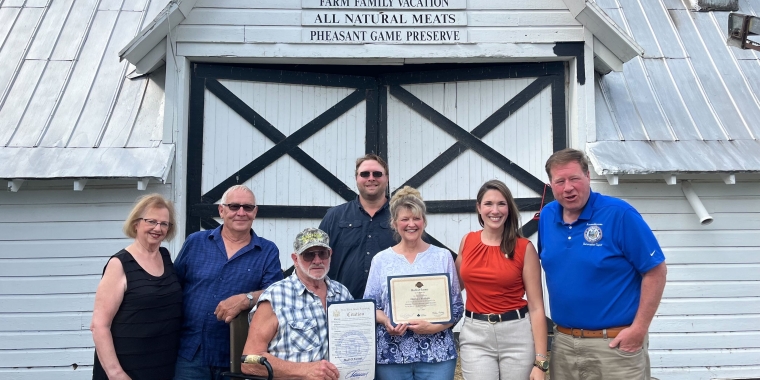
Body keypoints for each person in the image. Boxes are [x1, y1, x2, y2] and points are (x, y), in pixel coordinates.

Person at [538, 148, 667, 380]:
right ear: (551, 184)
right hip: (564, 345)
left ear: (588, 176)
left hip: (613, 347)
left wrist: (638, 330)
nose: (568, 188)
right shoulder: (547, 216)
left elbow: (655, 271)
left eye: (574, 178)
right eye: (560, 181)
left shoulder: (619, 214)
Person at [173, 185, 284, 379]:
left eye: (248, 207)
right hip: (192, 352)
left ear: (255, 212)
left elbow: (276, 293)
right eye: (234, 206)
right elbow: (174, 287)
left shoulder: (267, 251)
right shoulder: (195, 242)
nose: (241, 213)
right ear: (221, 210)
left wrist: (246, 298)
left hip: (237, 352)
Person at [363, 186, 464, 380]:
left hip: (438, 355)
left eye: (416, 218)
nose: (411, 224)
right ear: (394, 223)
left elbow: (457, 307)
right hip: (391, 354)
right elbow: (370, 306)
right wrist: (386, 321)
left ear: (424, 221)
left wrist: (433, 327)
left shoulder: (442, 257)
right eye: (405, 219)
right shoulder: (381, 260)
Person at [455, 180, 548, 380]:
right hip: (475, 335)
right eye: (488, 204)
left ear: (509, 208)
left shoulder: (525, 248)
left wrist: (541, 362)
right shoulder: (467, 241)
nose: (495, 210)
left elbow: (537, 307)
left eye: (501, 204)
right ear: (479, 208)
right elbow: (452, 288)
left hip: (517, 335)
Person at [91, 194, 182, 380]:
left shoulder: (165, 256)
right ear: (136, 223)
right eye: (151, 221)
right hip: (127, 369)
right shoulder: (119, 264)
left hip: (162, 367)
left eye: (164, 223)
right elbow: (99, 325)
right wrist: (116, 374)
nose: (158, 228)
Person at [242, 228, 353, 380]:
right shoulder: (276, 296)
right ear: (295, 259)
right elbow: (249, 361)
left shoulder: (342, 293)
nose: (317, 260)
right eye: (308, 255)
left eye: (322, 253)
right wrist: (304, 370)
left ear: (330, 255)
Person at [319, 154, 396, 299]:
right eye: (365, 174)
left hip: (391, 307)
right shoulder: (334, 216)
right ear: (356, 179)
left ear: (387, 178)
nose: (371, 178)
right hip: (344, 305)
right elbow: (316, 258)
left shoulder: (402, 217)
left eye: (377, 174)